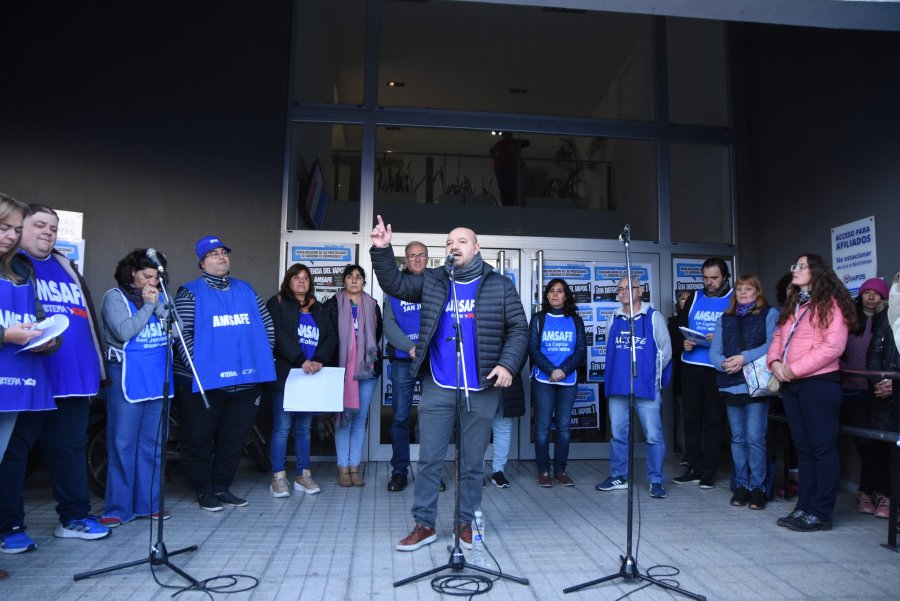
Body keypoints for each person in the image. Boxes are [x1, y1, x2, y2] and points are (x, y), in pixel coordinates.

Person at [370, 215, 528, 552]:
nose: (453, 246)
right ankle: (424, 524)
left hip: (480, 387)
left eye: (461, 241)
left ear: (477, 248)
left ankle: (465, 522)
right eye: (449, 242)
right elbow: (396, 285)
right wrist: (382, 251)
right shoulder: (434, 280)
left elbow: (518, 328)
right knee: (429, 459)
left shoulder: (499, 285)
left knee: (472, 462)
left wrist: (507, 364)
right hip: (438, 383)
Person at [0, 203, 111, 548]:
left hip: (73, 380)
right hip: (31, 379)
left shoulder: (65, 265)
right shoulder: (14, 266)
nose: (48, 231)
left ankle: (74, 518)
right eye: (38, 225)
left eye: (53, 227)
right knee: (13, 454)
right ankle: (9, 528)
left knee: (69, 451)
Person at [173, 235, 275, 511]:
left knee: (234, 438)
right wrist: (202, 370)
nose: (221, 257)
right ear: (202, 262)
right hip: (204, 383)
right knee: (198, 438)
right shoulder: (189, 293)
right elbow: (182, 335)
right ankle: (203, 490)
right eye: (214, 254)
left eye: (224, 252)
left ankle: (222, 486)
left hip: (245, 382)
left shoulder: (246, 289)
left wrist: (260, 356)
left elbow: (266, 327)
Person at [768, 253, 856, 532]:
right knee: (803, 450)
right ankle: (804, 506)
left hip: (819, 385)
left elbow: (833, 348)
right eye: (795, 265)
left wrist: (793, 369)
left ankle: (820, 513)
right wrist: (775, 363)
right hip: (792, 385)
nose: (795, 270)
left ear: (816, 273)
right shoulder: (794, 304)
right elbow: (778, 338)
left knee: (822, 450)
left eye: (802, 266)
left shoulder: (830, 304)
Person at [0, 194, 57, 560]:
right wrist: (5, 335)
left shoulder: (20, 271)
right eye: (3, 227)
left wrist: (46, 339)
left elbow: (36, 319)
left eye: (15, 229)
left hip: (12, 385)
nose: (10, 236)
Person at [98, 249, 172, 527]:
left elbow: (175, 331)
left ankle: (148, 503)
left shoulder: (160, 297)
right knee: (123, 443)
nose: (152, 282)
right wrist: (148, 306)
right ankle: (118, 507)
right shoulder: (114, 298)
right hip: (126, 376)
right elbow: (124, 331)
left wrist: (159, 304)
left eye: (156, 277)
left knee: (153, 444)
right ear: (132, 273)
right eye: (146, 276)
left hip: (156, 377)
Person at [595, 277, 672, 499]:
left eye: (628, 288)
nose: (623, 292)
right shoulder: (613, 318)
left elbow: (665, 352)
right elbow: (611, 349)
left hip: (646, 389)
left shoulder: (654, 317)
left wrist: (649, 377)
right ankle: (619, 476)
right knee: (618, 435)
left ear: (641, 291)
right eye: (620, 289)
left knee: (653, 436)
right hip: (619, 388)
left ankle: (655, 480)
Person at [708, 275, 778, 510]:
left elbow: (771, 345)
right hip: (731, 383)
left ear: (758, 291)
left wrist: (743, 358)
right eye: (739, 289)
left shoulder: (769, 314)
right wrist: (723, 364)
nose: (743, 293)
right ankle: (741, 485)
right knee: (738, 439)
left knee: (755, 438)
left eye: (749, 289)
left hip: (756, 386)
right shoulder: (724, 318)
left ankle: (758, 488)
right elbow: (714, 351)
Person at [267, 263, 336, 497]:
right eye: (296, 277)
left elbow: (330, 336)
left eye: (306, 277)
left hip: (311, 376)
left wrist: (319, 359)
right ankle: (278, 477)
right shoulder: (277, 302)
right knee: (282, 427)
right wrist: (300, 359)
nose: (301, 281)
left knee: (305, 428)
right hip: (287, 375)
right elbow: (277, 334)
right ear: (288, 280)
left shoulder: (318, 307)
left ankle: (303, 475)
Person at [674, 257, 733, 488]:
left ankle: (708, 471)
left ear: (725, 277)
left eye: (714, 278)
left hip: (717, 368)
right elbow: (680, 326)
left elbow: (740, 333)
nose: (709, 282)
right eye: (706, 278)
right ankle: (693, 467)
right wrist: (684, 342)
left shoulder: (733, 299)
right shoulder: (694, 297)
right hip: (692, 365)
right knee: (690, 419)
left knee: (713, 420)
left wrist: (720, 338)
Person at [324, 264, 382, 487]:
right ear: (344, 281)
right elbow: (329, 335)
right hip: (341, 370)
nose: (354, 280)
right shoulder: (332, 304)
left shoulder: (373, 305)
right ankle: (343, 467)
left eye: (359, 277)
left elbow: (377, 334)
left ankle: (354, 467)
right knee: (345, 418)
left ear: (364, 282)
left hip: (367, 369)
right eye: (350, 277)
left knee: (359, 418)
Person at [529, 278, 586, 487]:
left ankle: (560, 470)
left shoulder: (575, 320)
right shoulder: (538, 319)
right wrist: (551, 370)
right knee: (543, 427)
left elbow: (581, 350)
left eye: (560, 291)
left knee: (563, 428)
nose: (555, 294)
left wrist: (563, 370)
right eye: (552, 290)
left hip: (568, 380)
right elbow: (533, 349)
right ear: (546, 295)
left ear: (566, 296)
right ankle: (543, 471)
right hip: (543, 379)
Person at [840, 277, 890, 516]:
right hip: (853, 390)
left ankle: (866, 494)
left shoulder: (887, 321)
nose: (871, 297)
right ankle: (884, 494)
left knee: (879, 444)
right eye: (867, 292)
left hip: (880, 392)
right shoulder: (849, 319)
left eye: (876, 293)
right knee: (865, 445)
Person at [384, 242, 428, 492]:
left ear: (427, 258)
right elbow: (389, 325)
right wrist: (411, 347)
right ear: (406, 259)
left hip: (432, 362)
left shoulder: (437, 285)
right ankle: (399, 471)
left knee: (432, 418)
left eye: (421, 255)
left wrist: (424, 349)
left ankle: (430, 473)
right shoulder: (396, 286)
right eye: (412, 256)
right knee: (400, 418)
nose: (417, 259)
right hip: (403, 361)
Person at [862, 276, 896, 519]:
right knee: (882, 448)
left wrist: (896, 383)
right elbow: (873, 353)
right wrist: (879, 381)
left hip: (896, 388)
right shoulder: (885, 316)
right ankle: (886, 496)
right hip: (884, 394)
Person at [490, 132, 530, 206]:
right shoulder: (501, 144)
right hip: (503, 167)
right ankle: (507, 205)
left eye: (506, 135)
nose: (505, 137)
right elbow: (491, 151)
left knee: (509, 188)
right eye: (504, 135)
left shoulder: (511, 143)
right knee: (504, 188)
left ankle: (508, 205)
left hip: (508, 167)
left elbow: (527, 142)